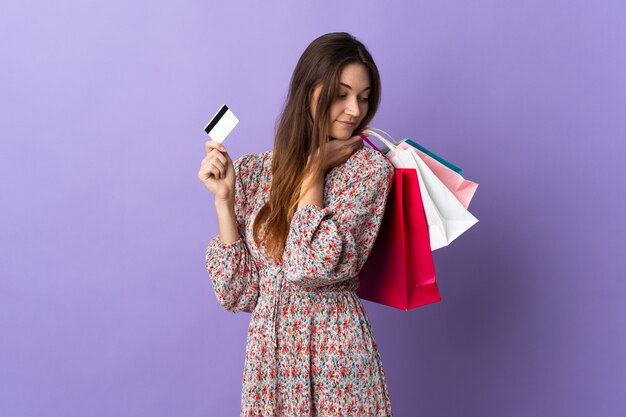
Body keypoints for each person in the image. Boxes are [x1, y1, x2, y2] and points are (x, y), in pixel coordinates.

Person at [198, 32, 395, 416]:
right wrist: (224, 201)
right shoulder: (256, 172)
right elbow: (238, 293)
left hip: (335, 357)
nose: (354, 109)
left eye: (364, 96)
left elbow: (310, 267)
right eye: (341, 93)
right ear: (308, 90)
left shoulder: (369, 173)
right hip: (270, 363)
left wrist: (314, 172)